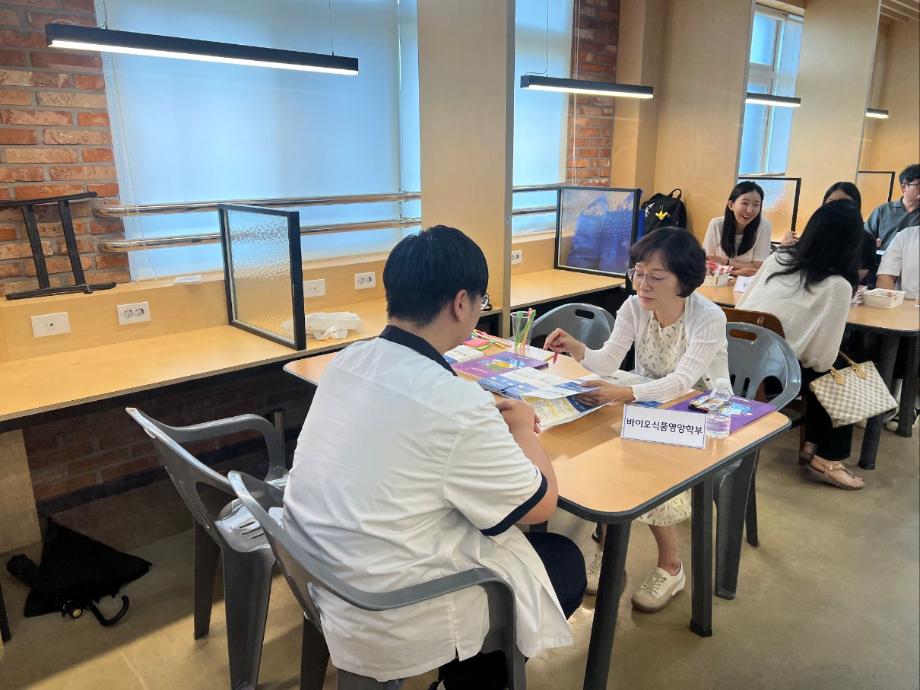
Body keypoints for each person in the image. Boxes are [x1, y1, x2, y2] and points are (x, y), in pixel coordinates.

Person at [283, 226, 584, 689]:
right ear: (461, 303)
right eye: (482, 302)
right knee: (563, 562)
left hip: (320, 570)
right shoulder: (456, 404)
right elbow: (539, 507)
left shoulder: (349, 359)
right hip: (387, 607)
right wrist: (524, 428)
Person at [544, 228, 729, 613]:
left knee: (646, 465)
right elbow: (608, 361)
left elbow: (682, 382)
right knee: (607, 450)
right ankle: (610, 553)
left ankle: (671, 566)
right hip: (650, 403)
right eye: (638, 273)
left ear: (685, 281)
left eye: (656, 277)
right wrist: (577, 348)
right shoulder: (633, 307)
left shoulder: (708, 317)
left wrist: (625, 394)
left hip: (703, 412)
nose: (643, 285)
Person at [738, 201, 865, 490]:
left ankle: (813, 442)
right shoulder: (837, 286)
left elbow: (743, 307)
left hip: (735, 358)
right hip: (774, 377)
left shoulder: (777, 260)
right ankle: (826, 457)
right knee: (840, 373)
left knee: (825, 366)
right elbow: (821, 360)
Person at [876, 225, 919, 433]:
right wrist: (894, 307)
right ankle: (886, 403)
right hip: (907, 312)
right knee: (876, 339)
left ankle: (905, 407)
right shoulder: (907, 236)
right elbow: (885, 278)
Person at [702, 181, 773, 277]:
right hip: (719, 281)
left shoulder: (763, 226)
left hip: (748, 283)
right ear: (731, 205)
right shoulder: (716, 225)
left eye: (756, 205)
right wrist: (735, 272)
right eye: (745, 203)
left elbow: (759, 267)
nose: (750, 210)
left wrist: (726, 262)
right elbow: (707, 263)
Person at [821, 181, 877, 281]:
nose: (836, 207)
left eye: (845, 202)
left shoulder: (866, 240)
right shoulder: (816, 233)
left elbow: (858, 276)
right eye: (831, 202)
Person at [865, 163, 920, 250]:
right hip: (882, 257)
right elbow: (864, 238)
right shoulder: (884, 210)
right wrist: (870, 243)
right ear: (904, 187)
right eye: (918, 185)